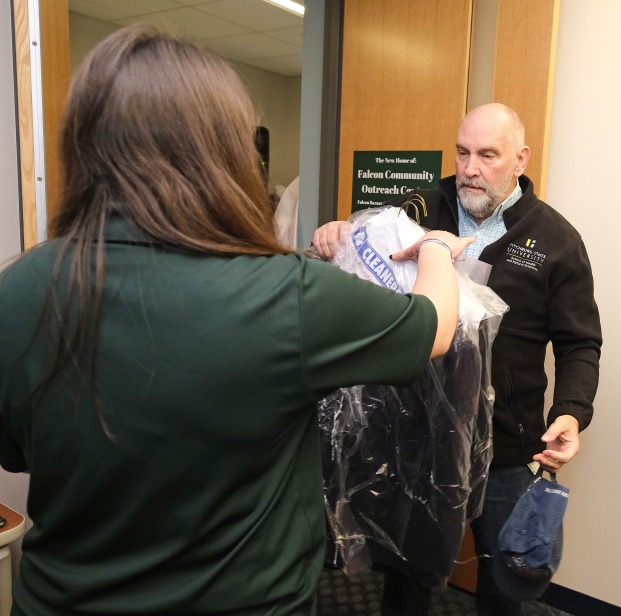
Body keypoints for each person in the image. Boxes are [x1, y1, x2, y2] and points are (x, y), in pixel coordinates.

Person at [0, 26, 475, 616]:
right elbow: (431, 327)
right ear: (224, 151)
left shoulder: (18, 290)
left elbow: (16, 452)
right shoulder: (285, 294)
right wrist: (433, 246)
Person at [312, 102, 602, 616]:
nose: (469, 168)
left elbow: (579, 342)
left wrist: (572, 413)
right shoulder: (418, 209)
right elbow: (368, 278)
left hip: (509, 443)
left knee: (503, 578)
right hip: (420, 437)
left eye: (488, 155)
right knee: (408, 571)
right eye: (463, 152)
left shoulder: (557, 240)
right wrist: (337, 238)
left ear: (520, 159)